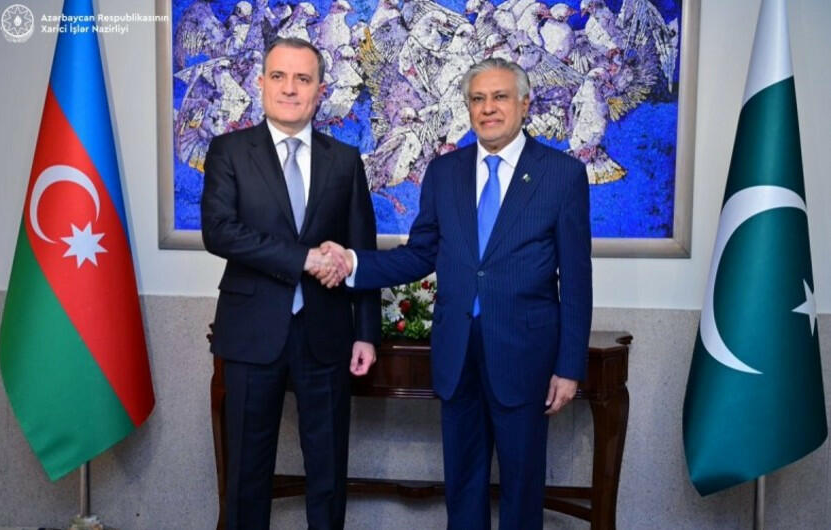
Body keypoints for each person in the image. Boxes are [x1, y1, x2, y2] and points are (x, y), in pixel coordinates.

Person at [320, 58, 593, 529]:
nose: (488, 108)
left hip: (525, 355)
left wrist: (569, 367)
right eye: (478, 99)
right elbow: (420, 254)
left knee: (522, 486)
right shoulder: (445, 172)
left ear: (524, 104)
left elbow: (576, 279)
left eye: (500, 97)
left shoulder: (561, 174)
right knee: (462, 484)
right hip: (457, 352)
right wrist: (353, 263)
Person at [201, 38, 380, 530]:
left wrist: (366, 332)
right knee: (246, 471)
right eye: (279, 76)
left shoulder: (345, 160)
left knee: (328, 471)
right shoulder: (229, 152)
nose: (289, 88)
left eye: (303, 79)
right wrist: (304, 259)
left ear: (320, 91)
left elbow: (361, 251)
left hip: (326, 334)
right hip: (251, 331)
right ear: (260, 84)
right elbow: (220, 232)